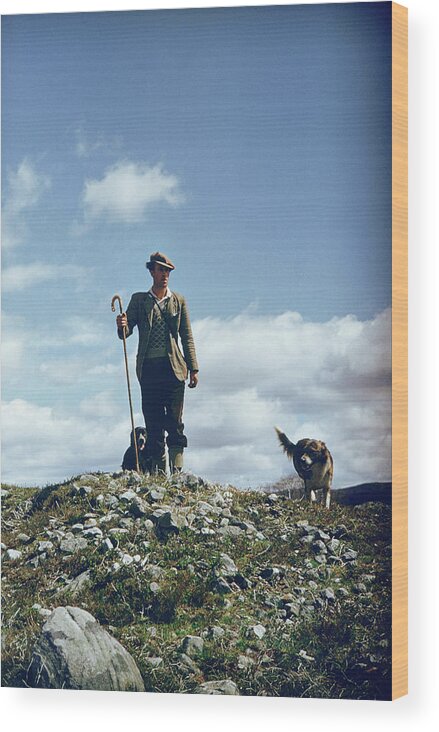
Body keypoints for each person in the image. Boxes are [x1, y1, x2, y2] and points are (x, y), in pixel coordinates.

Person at [116, 251, 199, 474]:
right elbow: (126, 332)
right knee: (153, 424)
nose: (165, 275)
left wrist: (193, 368)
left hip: (174, 370)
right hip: (149, 370)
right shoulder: (139, 300)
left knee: (174, 422)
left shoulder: (179, 301)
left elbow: (187, 336)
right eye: (161, 270)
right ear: (151, 271)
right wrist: (122, 323)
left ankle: (177, 472)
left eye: (168, 271)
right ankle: (159, 473)